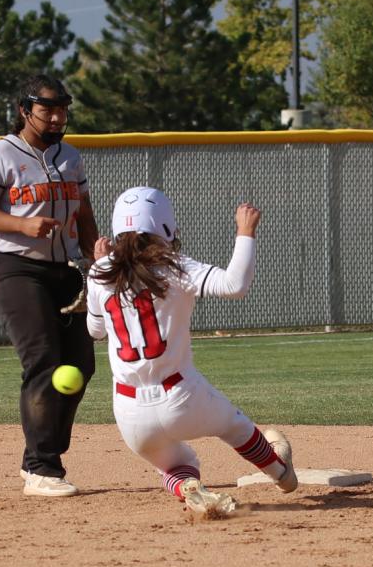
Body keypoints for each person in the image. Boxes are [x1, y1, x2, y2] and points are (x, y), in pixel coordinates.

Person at [84, 187, 298, 518]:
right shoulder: (172, 266)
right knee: (237, 428)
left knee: (180, 463)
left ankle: (187, 487)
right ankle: (282, 474)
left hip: (128, 411)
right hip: (180, 395)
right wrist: (245, 232)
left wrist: (99, 268)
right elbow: (234, 285)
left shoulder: (100, 273)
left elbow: (94, 331)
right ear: (165, 226)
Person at [0, 74, 99, 496]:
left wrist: (98, 256)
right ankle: (43, 467)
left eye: (63, 109)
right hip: (18, 269)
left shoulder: (70, 157)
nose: (58, 116)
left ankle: (40, 459)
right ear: (25, 110)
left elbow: (83, 212)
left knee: (81, 365)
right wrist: (22, 223)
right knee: (43, 361)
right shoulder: (0, 154)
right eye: (48, 109)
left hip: (66, 272)